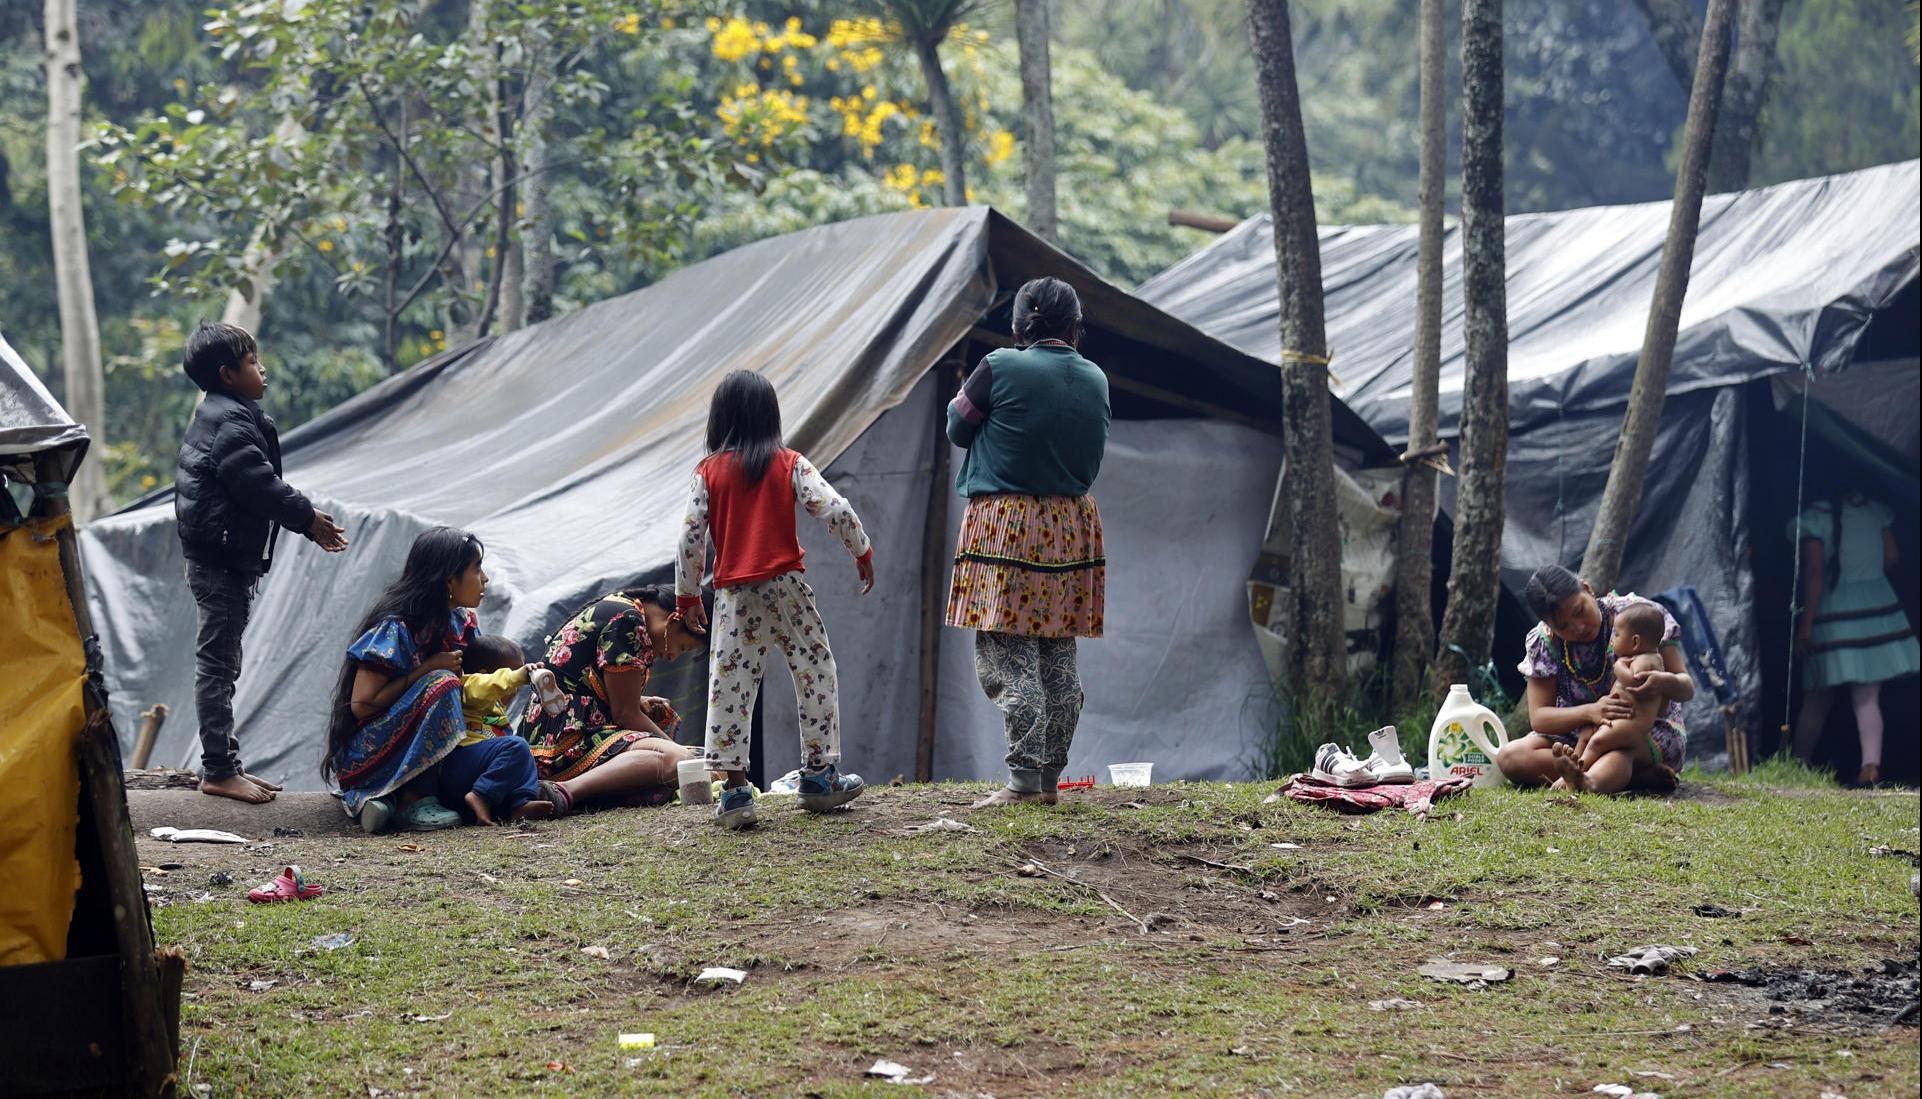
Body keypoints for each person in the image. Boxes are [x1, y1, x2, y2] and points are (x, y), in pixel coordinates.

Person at [675, 370, 875, 829]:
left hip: (733, 597)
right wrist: (860, 549)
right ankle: (820, 775)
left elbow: (690, 538)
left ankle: (735, 791)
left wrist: (688, 596)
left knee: (730, 686)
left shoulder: (707, 472)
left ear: (719, 418)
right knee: (816, 668)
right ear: (771, 415)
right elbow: (836, 507)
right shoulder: (789, 462)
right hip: (786, 588)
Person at [944, 277, 1111, 810]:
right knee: (1058, 652)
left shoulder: (999, 366)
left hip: (1008, 524)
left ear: (1020, 326)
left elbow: (957, 426)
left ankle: (1021, 782)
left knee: (1009, 653)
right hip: (1071, 526)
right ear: (1076, 326)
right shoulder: (1097, 379)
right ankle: (1047, 780)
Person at [175, 321, 349, 804]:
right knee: (218, 665)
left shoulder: (225, 413)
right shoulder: (230, 423)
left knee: (223, 662)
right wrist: (308, 517)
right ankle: (218, 769)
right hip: (220, 560)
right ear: (229, 374)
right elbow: (259, 484)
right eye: (253, 362)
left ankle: (227, 764)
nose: (263, 368)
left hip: (220, 555)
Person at [324, 526, 489, 833]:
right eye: (476, 569)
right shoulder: (398, 626)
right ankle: (414, 798)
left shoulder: (462, 623)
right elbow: (362, 705)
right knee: (443, 683)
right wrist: (425, 670)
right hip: (371, 749)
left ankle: (386, 799)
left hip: (416, 746)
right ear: (448, 579)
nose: (485, 579)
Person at [1495, 564, 1695, 794]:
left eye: (1580, 611)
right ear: (1548, 626)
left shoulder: (1638, 615)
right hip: (1578, 735)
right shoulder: (1545, 642)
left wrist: (1663, 681)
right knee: (1511, 758)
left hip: (1640, 731)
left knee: (1615, 751)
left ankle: (1592, 779)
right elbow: (1540, 718)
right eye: (1563, 626)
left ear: (1587, 589)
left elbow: (1686, 688)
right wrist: (1591, 712)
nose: (1578, 627)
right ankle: (1631, 778)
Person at [517, 585, 709, 813]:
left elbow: (585, 688)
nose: (673, 656)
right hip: (561, 742)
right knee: (678, 759)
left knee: (690, 749)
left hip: (557, 732)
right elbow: (625, 714)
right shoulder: (629, 621)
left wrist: (639, 701)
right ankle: (563, 791)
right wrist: (684, 757)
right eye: (683, 647)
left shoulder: (622, 607)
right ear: (674, 621)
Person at [1789, 491, 1920, 785]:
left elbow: (1814, 571)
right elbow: (1893, 556)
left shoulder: (1815, 517)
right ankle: (1870, 765)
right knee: (1867, 698)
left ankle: (1799, 763)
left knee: (1818, 696)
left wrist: (1806, 624)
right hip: (1877, 607)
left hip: (1833, 609)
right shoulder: (1875, 510)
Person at [1547, 602, 1670, 790]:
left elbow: (1635, 681)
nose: (1612, 641)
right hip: (1622, 720)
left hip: (1632, 724)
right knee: (1588, 735)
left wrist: (1618, 666)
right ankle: (1575, 770)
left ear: (1635, 641)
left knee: (1597, 742)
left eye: (1618, 635)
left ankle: (1576, 773)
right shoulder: (1639, 658)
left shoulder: (1646, 661)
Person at [439, 634, 556, 826]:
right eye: (510, 676)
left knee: (521, 756)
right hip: (459, 765)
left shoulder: (496, 709)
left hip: (475, 775)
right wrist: (519, 676)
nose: (514, 688)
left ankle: (516, 806)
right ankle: (481, 796)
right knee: (517, 746)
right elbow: (486, 685)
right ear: (484, 673)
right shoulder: (468, 686)